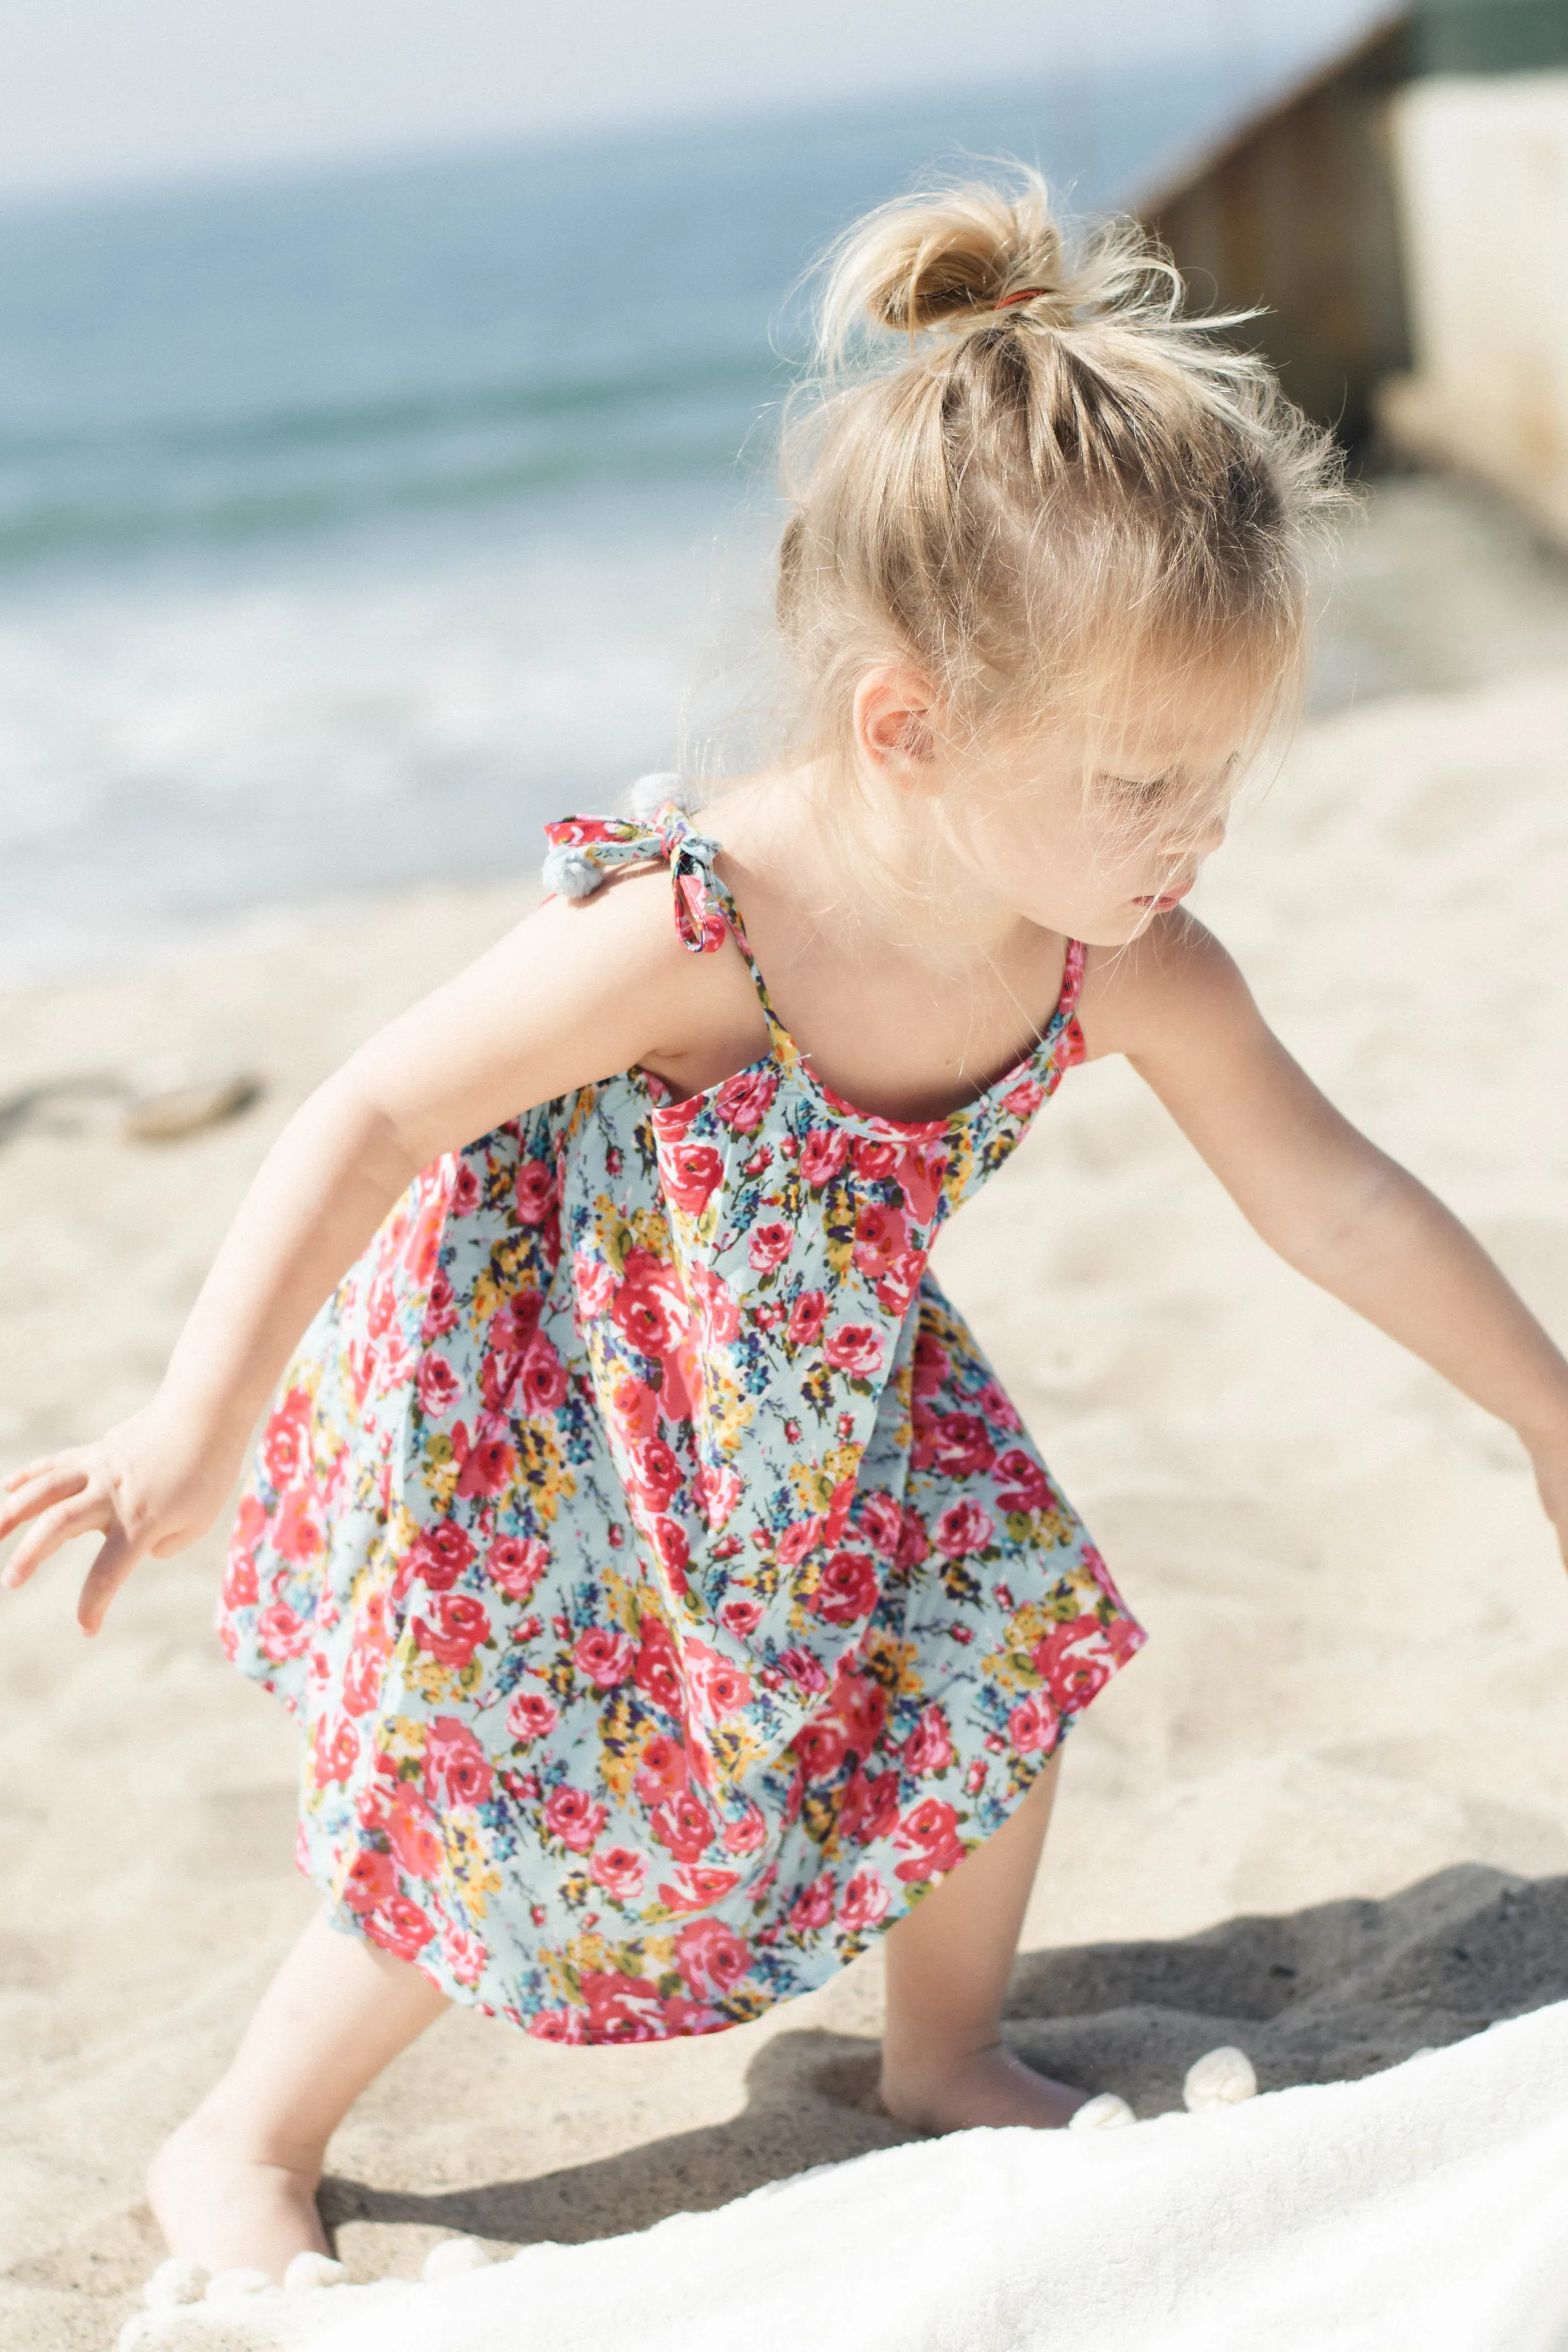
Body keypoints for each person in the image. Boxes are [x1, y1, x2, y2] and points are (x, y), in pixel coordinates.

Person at [6, 172, 1568, 2286]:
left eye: (1223, 780)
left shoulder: (1132, 957)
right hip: (554, 1413)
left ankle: (941, 2057)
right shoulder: (694, 930)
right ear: (909, 728)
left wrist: (1543, 1410)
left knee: (991, 1658)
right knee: (506, 1781)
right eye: (1139, 784)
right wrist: (193, 1421)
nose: (1191, 837)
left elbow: (1339, 1198)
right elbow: (372, 1105)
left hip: (824, 1398)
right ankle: (239, 2134)